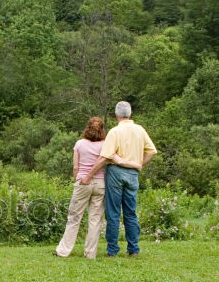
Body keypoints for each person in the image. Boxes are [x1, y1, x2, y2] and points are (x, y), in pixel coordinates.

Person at [55, 117, 142, 259]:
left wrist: (78, 180)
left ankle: (63, 251)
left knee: (74, 217)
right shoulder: (105, 145)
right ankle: (90, 253)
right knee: (95, 219)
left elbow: (76, 167)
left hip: (83, 183)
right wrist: (136, 165)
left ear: (87, 128)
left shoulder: (79, 144)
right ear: (102, 130)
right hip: (101, 183)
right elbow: (114, 160)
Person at [82, 101, 156, 257]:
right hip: (133, 173)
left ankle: (113, 250)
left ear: (116, 115)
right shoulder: (140, 130)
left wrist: (89, 175)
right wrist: (138, 164)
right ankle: (133, 249)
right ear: (130, 114)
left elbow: (105, 157)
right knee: (131, 212)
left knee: (113, 212)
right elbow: (151, 151)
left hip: (115, 173)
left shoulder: (115, 132)